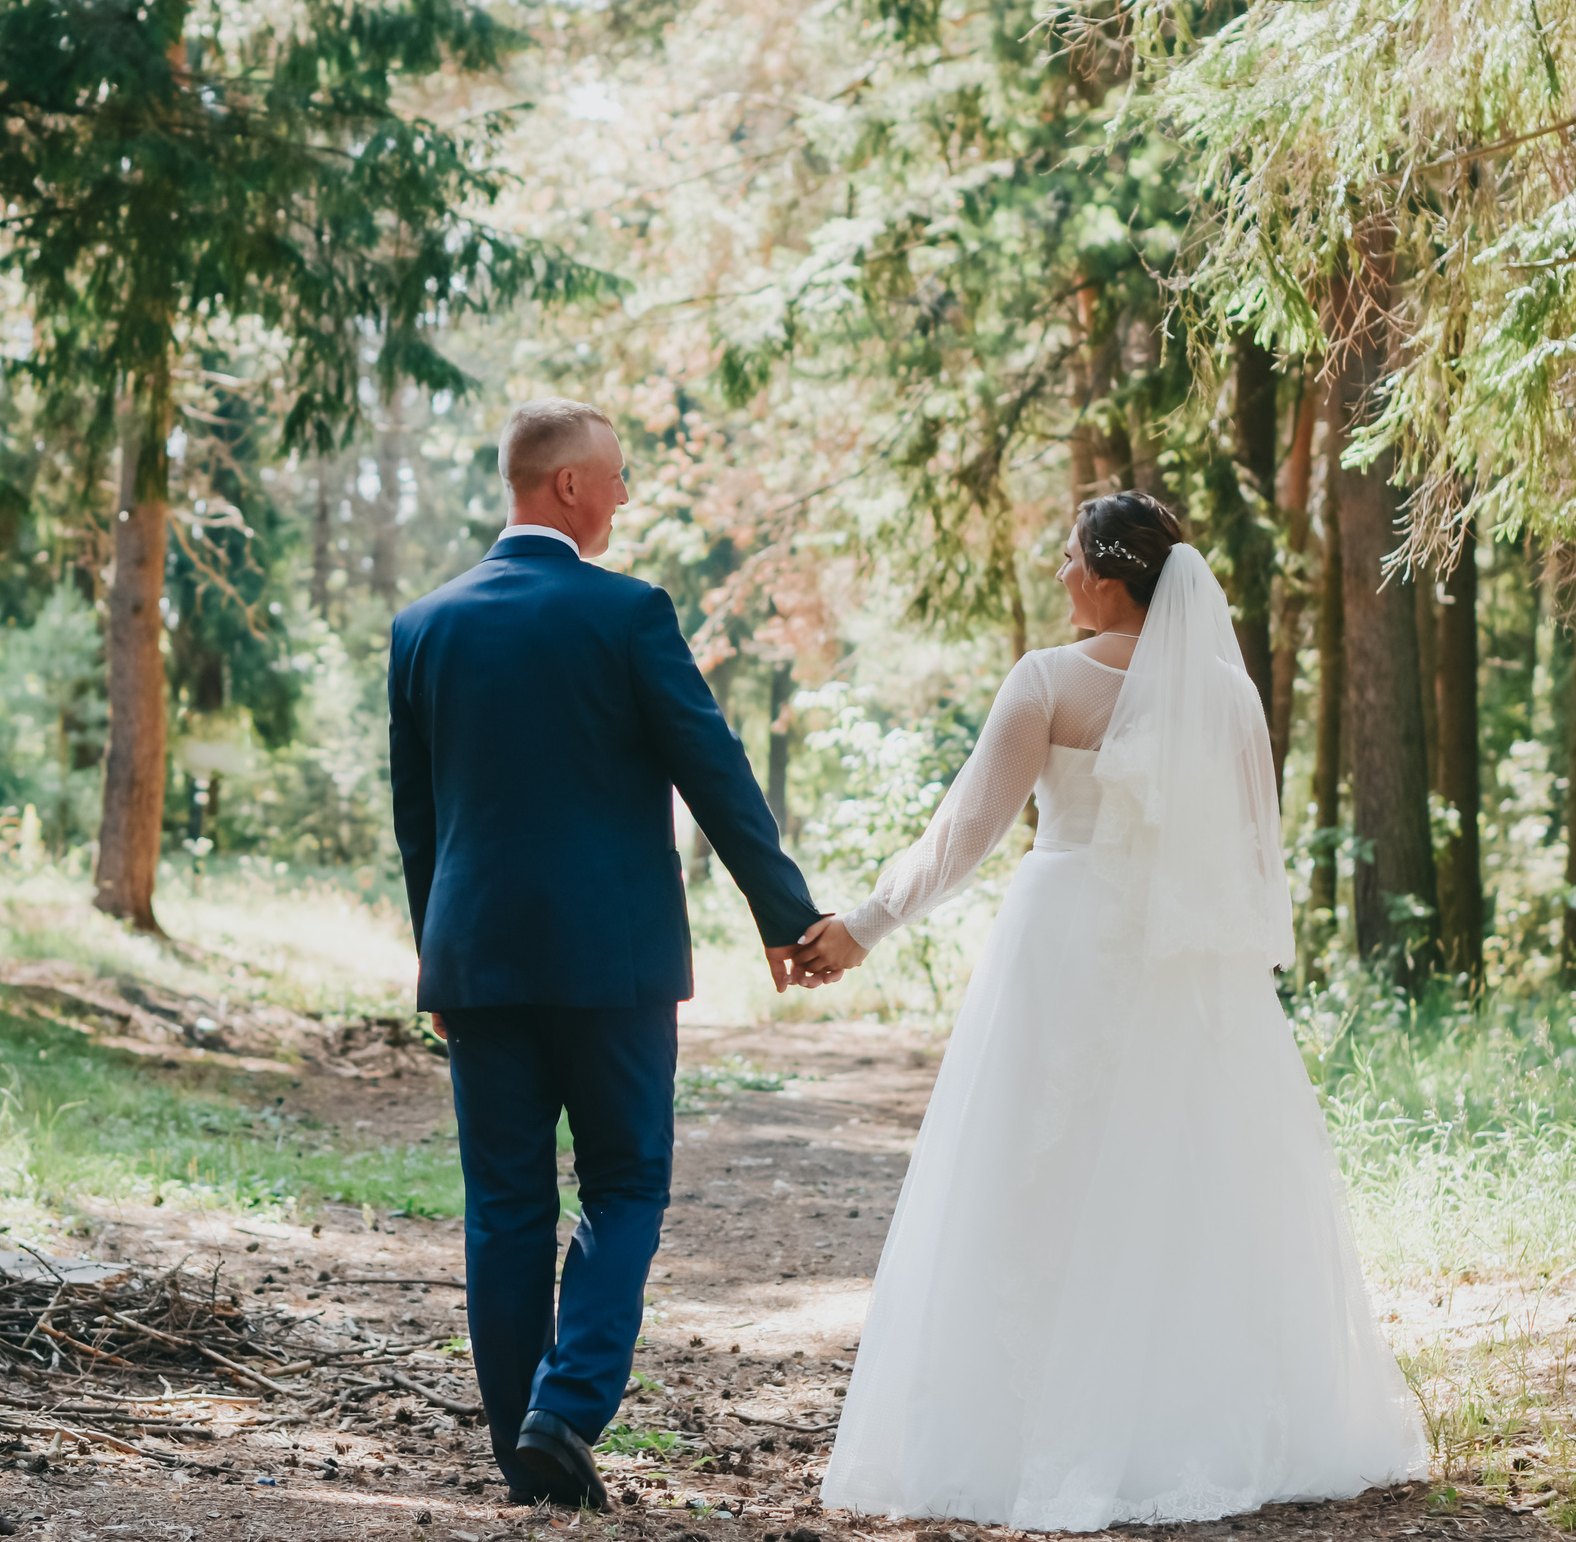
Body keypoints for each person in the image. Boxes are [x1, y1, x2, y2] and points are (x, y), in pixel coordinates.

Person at [791, 493, 1427, 1531]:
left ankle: (1019, 1427)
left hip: (1063, 943)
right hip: (1182, 961)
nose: (1059, 571)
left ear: (1109, 574)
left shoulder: (1047, 680)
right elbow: (1247, 856)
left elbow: (966, 830)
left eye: (1071, 555)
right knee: (1180, 1177)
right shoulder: (1225, 694)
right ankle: (1186, 1424)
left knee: (1037, 1168)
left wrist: (865, 925)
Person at [388, 398, 840, 1512]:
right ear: (569, 488)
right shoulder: (628, 613)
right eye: (617, 475)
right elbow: (714, 771)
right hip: (614, 968)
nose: (626, 495)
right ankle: (568, 1406)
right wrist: (784, 915)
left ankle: (522, 1453)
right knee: (626, 1179)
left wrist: (432, 962)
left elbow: (418, 822)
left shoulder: (423, 626)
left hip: (478, 965)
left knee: (504, 1205)